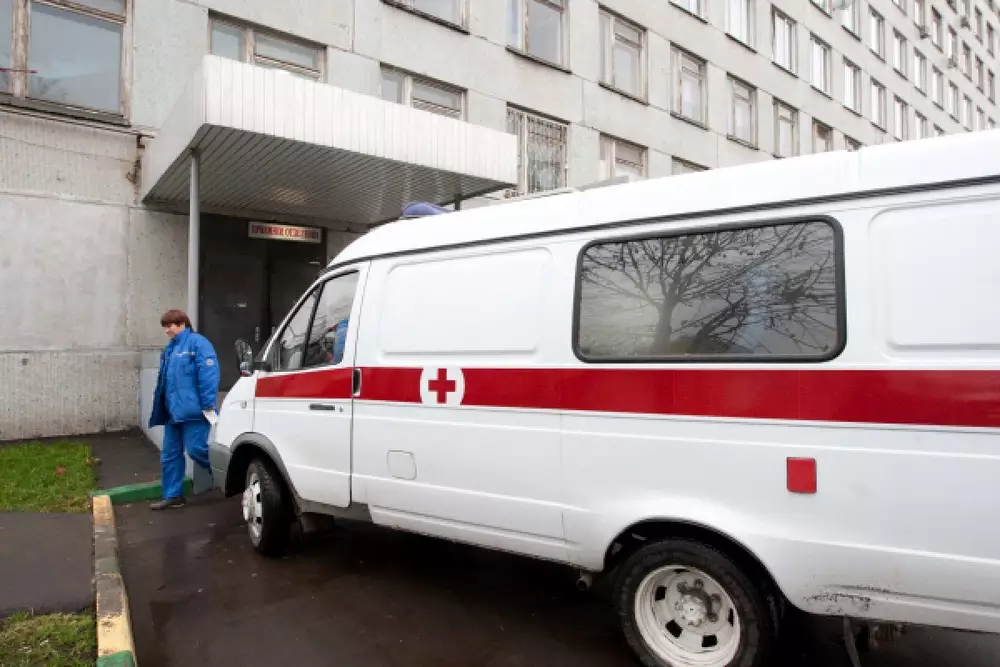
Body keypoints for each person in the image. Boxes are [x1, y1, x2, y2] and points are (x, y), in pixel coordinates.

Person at [148, 309, 220, 510]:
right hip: (172, 412)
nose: (167, 330)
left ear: (182, 324)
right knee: (170, 455)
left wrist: (208, 404)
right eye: (165, 326)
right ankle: (173, 496)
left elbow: (209, 374)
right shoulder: (169, 349)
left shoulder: (198, 343)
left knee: (196, 450)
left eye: (170, 326)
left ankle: (229, 473)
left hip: (194, 411)